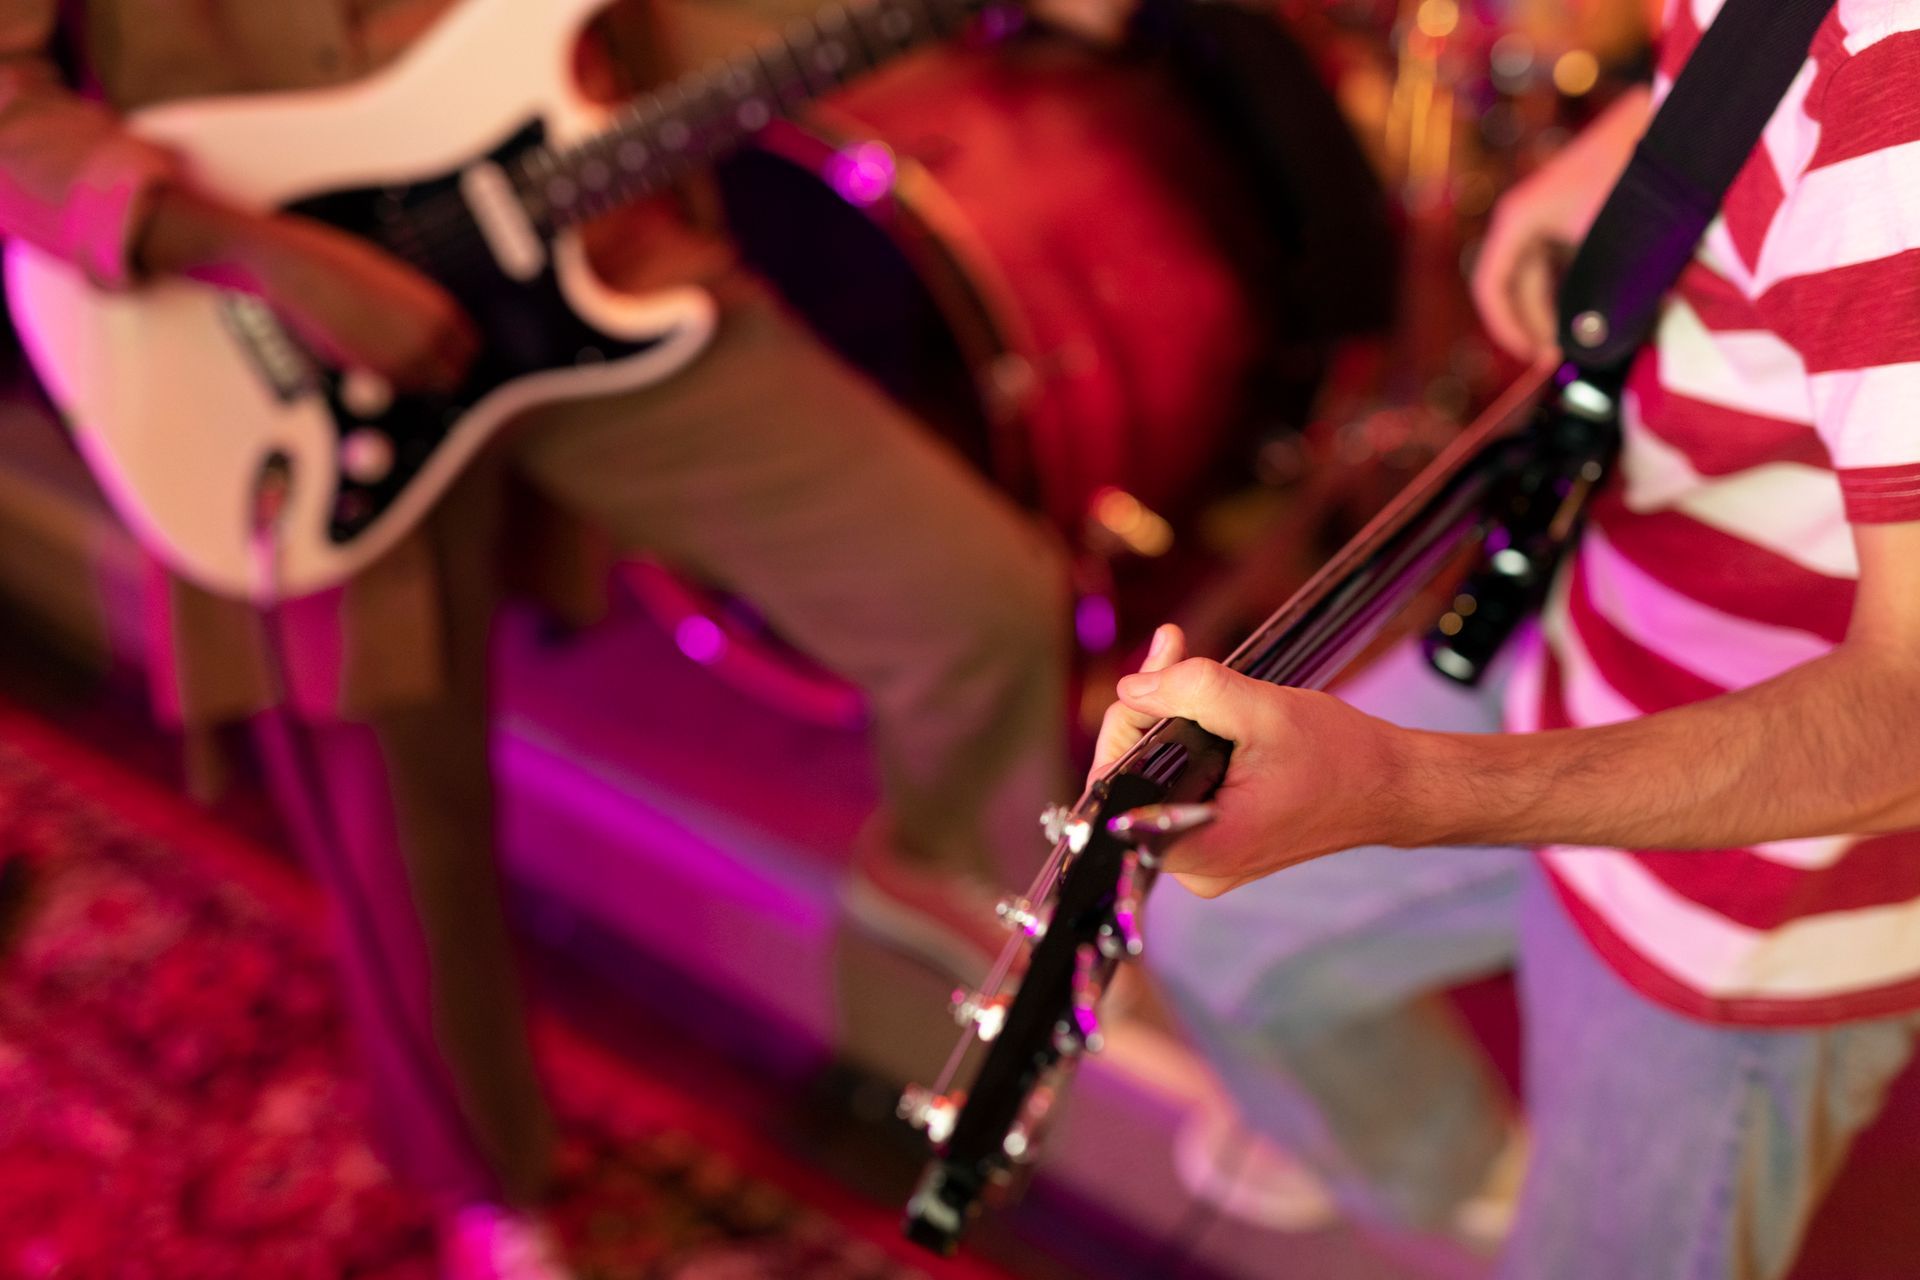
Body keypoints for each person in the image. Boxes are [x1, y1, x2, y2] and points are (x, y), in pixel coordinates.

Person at [0, 1, 1072, 1275]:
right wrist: (256, 252)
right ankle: (488, 1194)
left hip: (591, 239)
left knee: (978, 596)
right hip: (266, 320)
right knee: (400, 824)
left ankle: (941, 863)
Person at [1095, 2, 1920, 1275]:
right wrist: (1639, 156)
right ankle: (1474, 1184)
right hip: (1600, 634)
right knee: (1224, 939)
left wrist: (1403, 788)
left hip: (1756, 889)